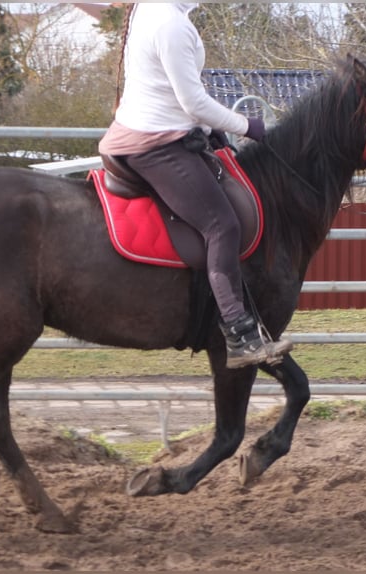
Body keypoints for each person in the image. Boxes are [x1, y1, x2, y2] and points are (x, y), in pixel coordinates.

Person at [98, 3, 292, 369]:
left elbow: (177, 96)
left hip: (160, 129)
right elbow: (194, 101)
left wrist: (208, 129)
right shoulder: (170, 24)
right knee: (222, 225)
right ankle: (238, 331)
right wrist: (249, 126)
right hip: (156, 143)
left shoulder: (153, 10)